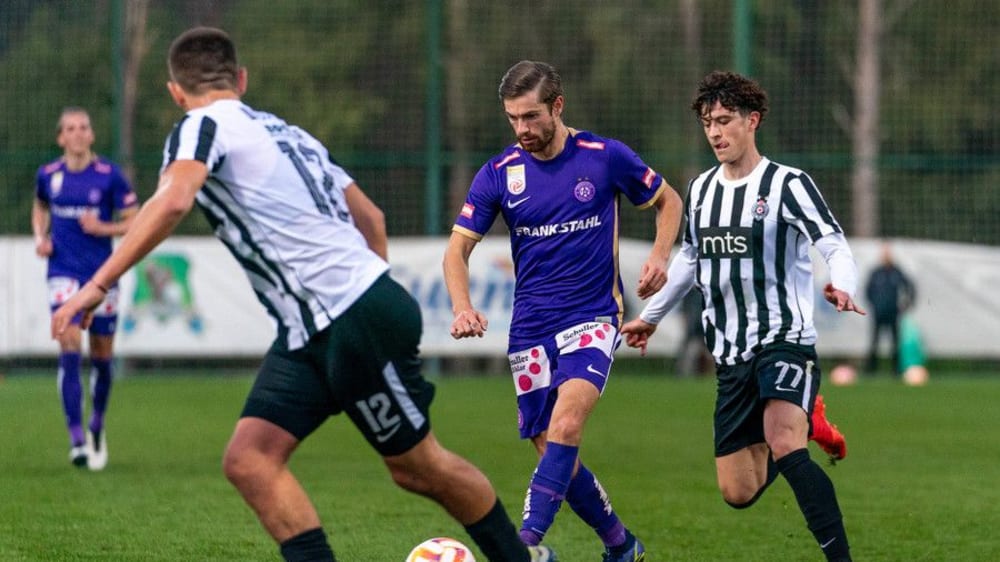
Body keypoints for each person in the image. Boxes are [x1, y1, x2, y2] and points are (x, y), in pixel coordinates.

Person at [52, 27, 554, 562]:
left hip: (348, 317)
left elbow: (174, 200)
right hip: (315, 329)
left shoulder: (197, 126)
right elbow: (371, 218)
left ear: (176, 92)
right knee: (249, 459)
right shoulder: (287, 133)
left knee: (418, 467)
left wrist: (97, 285)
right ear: (241, 80)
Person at [443, 60, 682, 561]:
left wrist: (660, 255)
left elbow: (669, 201)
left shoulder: (604, 156)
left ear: (558, 105)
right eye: (513, 119)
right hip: (530, 327)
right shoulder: (499, 173)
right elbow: (456, 251)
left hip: (593, 317)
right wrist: (462, 307)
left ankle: (525, 547)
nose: (522, 129)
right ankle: (621, 545)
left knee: (567, 428)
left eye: (531, 117)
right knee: (556, 453)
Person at [620, 71, 861, 562]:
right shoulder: (702, 190)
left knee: (783, 442)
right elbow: (690, 259)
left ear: (753, 121)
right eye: (709, 122)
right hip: (729, 351)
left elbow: (832, 243)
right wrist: (652, 316)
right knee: (738, 492)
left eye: (725, 120)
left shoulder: (788, 184)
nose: (715, 132)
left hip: (783, 337)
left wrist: (843, 285)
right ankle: (807, 420)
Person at [33, 107, 139, 470]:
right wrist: (40, 236)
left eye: (84, 127)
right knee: (68, 344)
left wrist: (104, 228)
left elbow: (136, 221)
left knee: (102, 356)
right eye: (70, 128)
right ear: (61, 137)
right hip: (62, 272)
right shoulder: (48, 174)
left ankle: (96, 423)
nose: (78, 133)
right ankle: (76, 437)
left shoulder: (110, 176)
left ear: (91, 135)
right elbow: (40, 205)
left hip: (102, 276)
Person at [864, 242, 916, 375]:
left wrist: (906, 304)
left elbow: (910, 287)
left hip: (893, 313)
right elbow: (868, 291)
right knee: (874, 342)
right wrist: (874, 305)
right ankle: (871, 370)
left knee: (895, 343)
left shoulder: (896, 271)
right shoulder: (876, 273)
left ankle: (896, 370)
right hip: (879, 313)